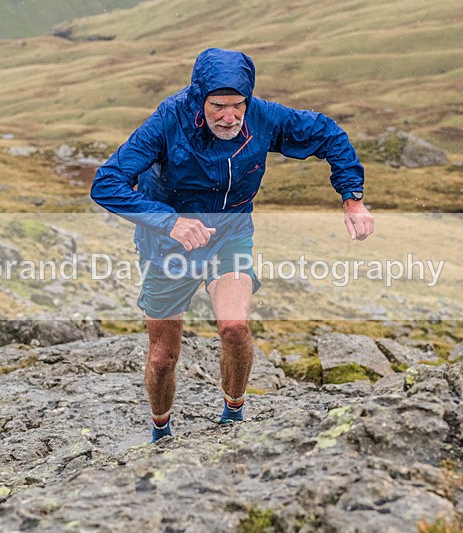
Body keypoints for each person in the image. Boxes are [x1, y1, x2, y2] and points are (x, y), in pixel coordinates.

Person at [91, 48, 374, 442]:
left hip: (230, 234)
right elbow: (106, 183)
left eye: (238, 105)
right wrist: (169, 222)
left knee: (235, 327)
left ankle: (233, 419)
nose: (230, 116)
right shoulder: (168, 121)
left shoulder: (263, 117)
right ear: (199, 99)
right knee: (162, 357)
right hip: (168, 245)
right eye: (218, 106)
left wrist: (352, 198)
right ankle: (161, 431)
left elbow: (328, 134)